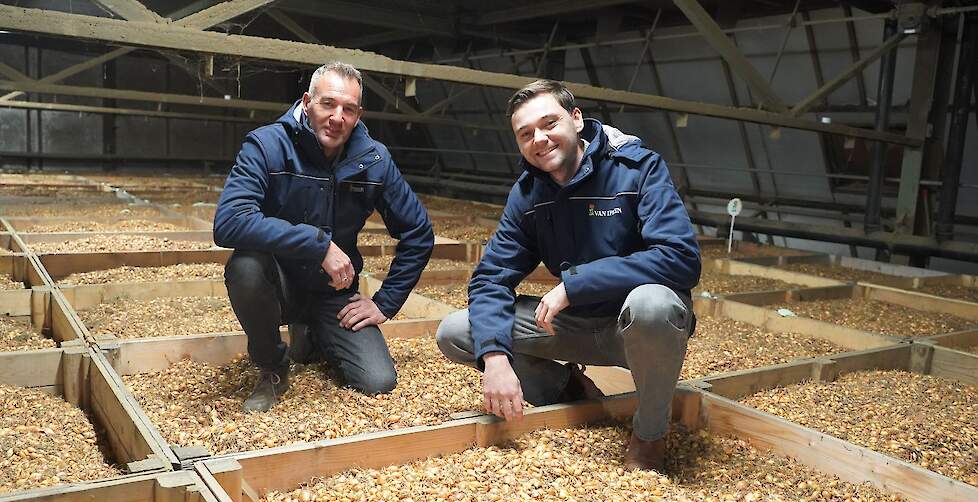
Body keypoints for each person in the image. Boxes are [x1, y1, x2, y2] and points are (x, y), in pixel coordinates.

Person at [436, 80, 700, 472]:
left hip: (629, 329)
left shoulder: (636, 168)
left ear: (576, 119)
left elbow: (680, 258)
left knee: (653, 305)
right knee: (457, 332)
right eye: (526, 134)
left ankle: (649, 434)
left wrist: (576, 285)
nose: (539, 139)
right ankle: (570, 391)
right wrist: (494, 358)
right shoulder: (528, 194)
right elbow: (491, 277)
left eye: (549, 124)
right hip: (569, 328)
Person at [214, 61, 434, 412]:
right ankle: (272, 366)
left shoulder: (373, 159)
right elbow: (229, 222)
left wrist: (385, 302)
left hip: (333, 291)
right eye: (328, 104)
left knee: (378, 382)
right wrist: (318, 245)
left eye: (349, 109)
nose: (337, 117)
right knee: (245, 269)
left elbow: (419, 233)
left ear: (359, 115)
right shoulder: (267, 145)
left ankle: (314, 332)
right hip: (279, 283)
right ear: (306, 102)